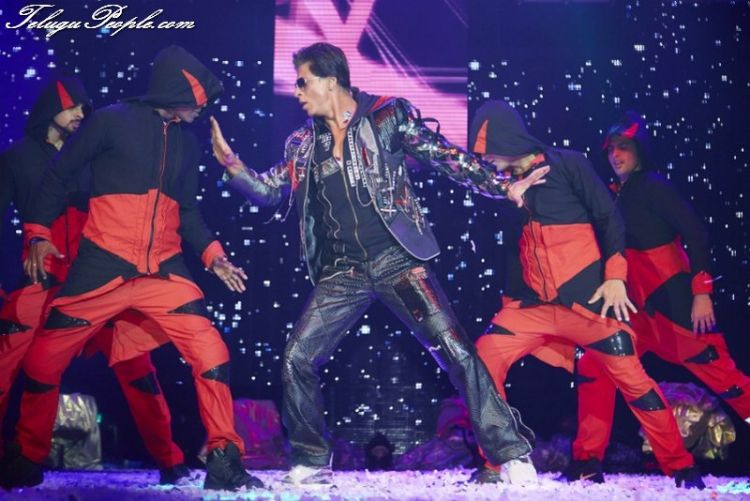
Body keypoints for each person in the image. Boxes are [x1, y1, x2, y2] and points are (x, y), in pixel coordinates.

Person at [210, 42, 547, 486]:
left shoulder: (388, 116)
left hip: (398, 262)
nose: (297, 91)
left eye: (304, 81)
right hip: (343, 273)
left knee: (457, 352)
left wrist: (501, 186)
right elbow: (270, 191)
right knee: (297, 356)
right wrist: (234, 168)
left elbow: (445, 156)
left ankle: (512, 454)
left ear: (331, 81)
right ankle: (312, 460)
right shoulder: (302, 144)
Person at [0, 46, 262, 491]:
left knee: (211, 352)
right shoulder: (110, 121)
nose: (203, 107)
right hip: (99, 271)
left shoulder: (186, 143)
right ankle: (27, 455)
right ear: (177, 90)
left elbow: (188, 213)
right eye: (199, 98)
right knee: (43, 360)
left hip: (163, 273)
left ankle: (223, 456)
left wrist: (213, 256)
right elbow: (60, 175)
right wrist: (38, 233)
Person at [469, 100, 705, 488]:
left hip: (590, 305)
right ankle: (497, 459)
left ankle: (679, 465)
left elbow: (609, 217)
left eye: (488, 150)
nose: (485, 159)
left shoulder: (568, 164)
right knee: (482, 361)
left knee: (634, 382)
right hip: (533, 306)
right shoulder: (502, 186)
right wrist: (510, 299)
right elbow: (514, 248)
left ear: (506, 139)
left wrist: (615, 276)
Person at [0, 76, 190, 485]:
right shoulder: (17, 158)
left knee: (137, 368)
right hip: (42, 279)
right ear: (51, 108)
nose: (81, 114)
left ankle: (169, 457)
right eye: (74, 107)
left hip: (96, 279)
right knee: (11, 365)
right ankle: (23, 458)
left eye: (85, 109)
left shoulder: (90, 154)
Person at [564, 111, 750, 483]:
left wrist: (702, 291)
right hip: (634, 311)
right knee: (596, 366)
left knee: (729, 383)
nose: (615, 155)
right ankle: (587, 460)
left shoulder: (653, 186)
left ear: (640, 151)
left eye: (623, 147)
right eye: (611, 149)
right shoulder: (617, 195)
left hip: (674, 308)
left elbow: (695, 232)